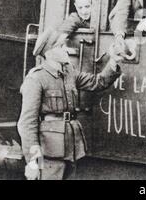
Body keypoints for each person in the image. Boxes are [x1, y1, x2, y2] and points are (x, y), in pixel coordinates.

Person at [17, 28, 123, 180]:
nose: (66, 49)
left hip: (70, 148)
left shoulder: (69, 72)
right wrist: (34, 163)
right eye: (60, 46)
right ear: (49, 53)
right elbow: (27, 123)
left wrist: (113, 61)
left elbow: (97, 82)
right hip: (48, 152)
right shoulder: (36, 78)